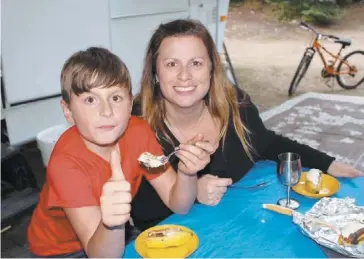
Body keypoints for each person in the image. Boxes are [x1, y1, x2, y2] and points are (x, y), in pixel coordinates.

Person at [131, 19, 364, 231]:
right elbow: (141, 212)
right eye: (172, 64)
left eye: (196, 63)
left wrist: (327, 163)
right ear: (155, 72)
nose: (184, 76)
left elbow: (268, 143)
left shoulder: (236, 106)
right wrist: (192, 192)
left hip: (234, 228)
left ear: (212, 69)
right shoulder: (136, 124)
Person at [27, 47, 216, 258]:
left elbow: (179, 205)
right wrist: (111, 224)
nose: (106, 111)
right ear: (68, 111)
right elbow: (100, 255)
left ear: (129, 103)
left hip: (114, 233)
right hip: (59, 250)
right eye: (90, 100)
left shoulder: (139, 132)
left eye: (115, 98)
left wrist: (187, 173)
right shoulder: (65, 164)